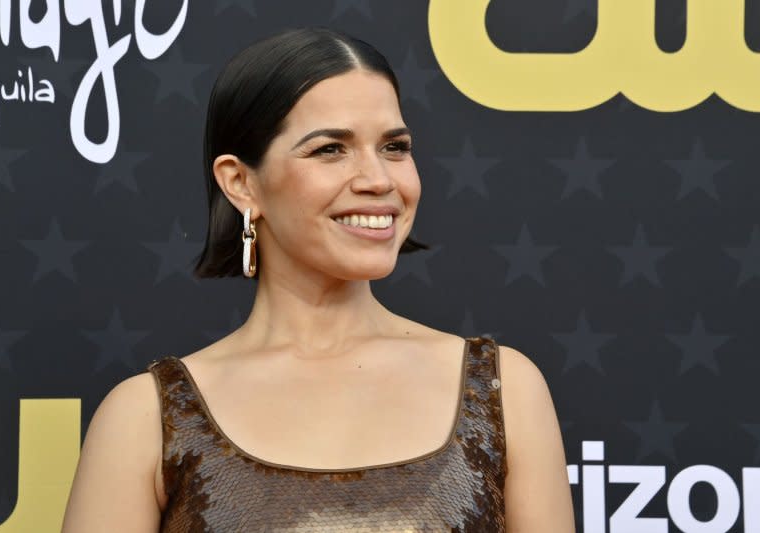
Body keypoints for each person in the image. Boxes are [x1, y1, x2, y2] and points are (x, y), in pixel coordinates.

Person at [61, 27, 575, 532]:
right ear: (240, 183)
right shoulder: (146, 418)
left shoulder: (504, 391)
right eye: (331, 149)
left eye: (395, 147)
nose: (378, 180)